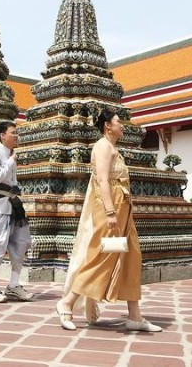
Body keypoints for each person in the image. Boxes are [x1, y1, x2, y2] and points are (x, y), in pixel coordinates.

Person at [55, 109, 161, 332]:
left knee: (131, 256)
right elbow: (102, 180)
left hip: (124, 211)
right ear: (107, 126)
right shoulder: (103, 146)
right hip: (109, 211)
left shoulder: (114, 148)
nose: (122, 126)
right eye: (118, 122)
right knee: (103, 256)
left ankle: (134, 315)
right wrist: (111, 212)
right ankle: (67, 302)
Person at [0, 121, 33, 303]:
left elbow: (12, 179)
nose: (16, 136)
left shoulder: (11, 153)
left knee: (22, 242)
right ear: (2, 135)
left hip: (13, 204)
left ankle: (13, 284)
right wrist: (11, 162)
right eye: (13, 133)